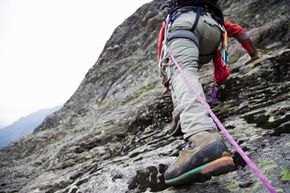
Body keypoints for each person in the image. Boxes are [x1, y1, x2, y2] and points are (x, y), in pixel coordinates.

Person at [157, 0, 259, 186]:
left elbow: (162, 47)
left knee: (180, 71)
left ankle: (201, 138)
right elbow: (239, 31)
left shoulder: (172, 16)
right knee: (187, 72)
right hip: (214, 29)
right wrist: (253, 54)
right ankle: (183, 115)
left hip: (184, 24)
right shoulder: (210, 12)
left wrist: (165, 79)